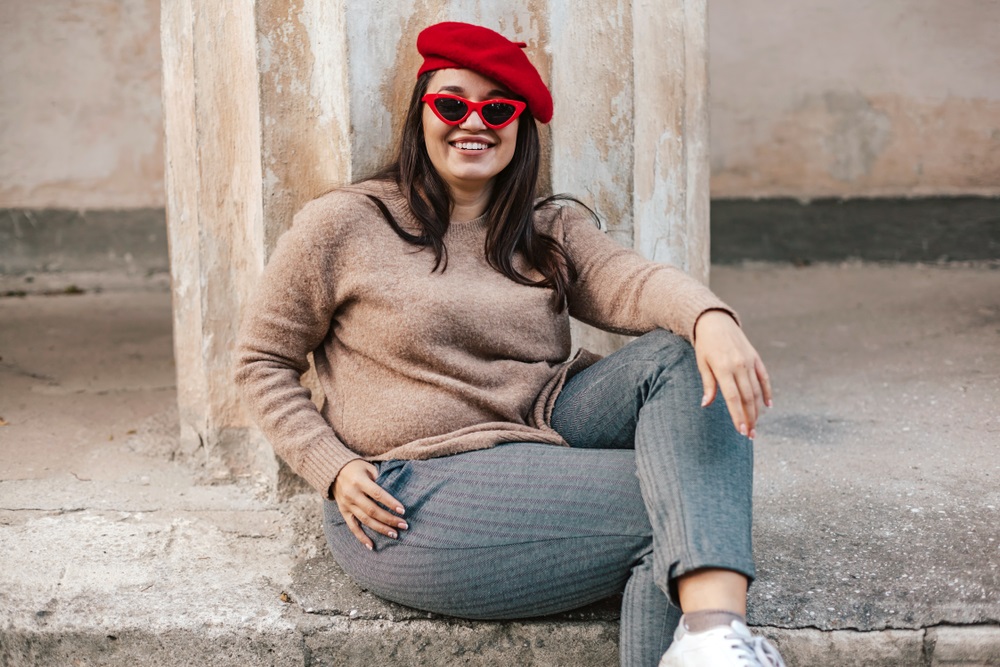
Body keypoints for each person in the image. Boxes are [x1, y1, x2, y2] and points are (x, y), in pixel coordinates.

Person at [235, 21, 786, 667]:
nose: (474, 121)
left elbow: (629, 280)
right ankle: (716, 630)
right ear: (421, 117)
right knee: (681, 503)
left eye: (497, 108)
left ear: (521, 127)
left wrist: (710, 318)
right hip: (408, 492)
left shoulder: (548, 227)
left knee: (679, 357)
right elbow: (260, 360)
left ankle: (712, 638)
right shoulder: (346, 223)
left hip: (540, 426)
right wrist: (329, 463)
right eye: (452, 103)